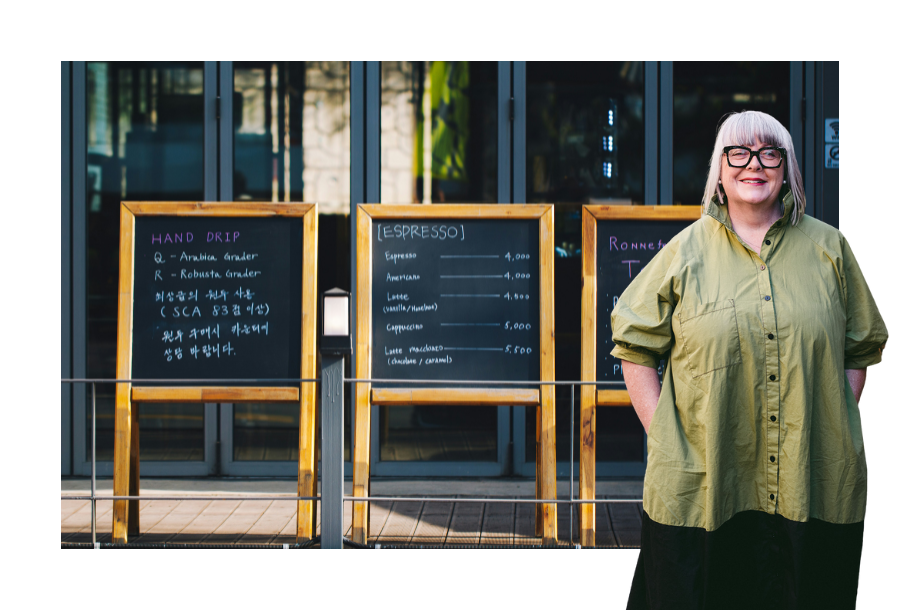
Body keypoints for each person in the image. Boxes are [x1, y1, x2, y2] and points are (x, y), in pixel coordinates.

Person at [610, 110, 887, 609]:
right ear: (719, 168)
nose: (753, 164)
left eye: (768, 152)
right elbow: (634, 347)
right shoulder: (685, 252)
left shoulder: (830, 250)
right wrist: (666, 437)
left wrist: (826, 420)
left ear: (787, 168)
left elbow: (858, 349)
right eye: (738, 152)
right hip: (707, 485)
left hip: (812, 481)